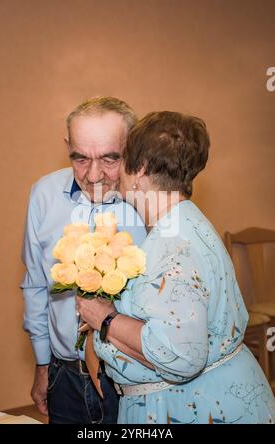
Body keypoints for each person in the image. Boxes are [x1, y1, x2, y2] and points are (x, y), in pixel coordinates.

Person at [77, 111, 275, 424]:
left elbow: (181, 356)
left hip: (195, 408)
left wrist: (104, 318)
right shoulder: (182, 222)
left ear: (140, 169)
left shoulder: (173, 245)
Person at [20, 97, 147, 424]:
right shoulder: (43, 195)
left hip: (132, 380)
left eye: (109, 158)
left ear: (131, 149)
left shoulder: (150, 203)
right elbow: (35, 284)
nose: (93, 175)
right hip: (64, 377)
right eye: (80, 158)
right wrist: (42, 364)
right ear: (67, 147)